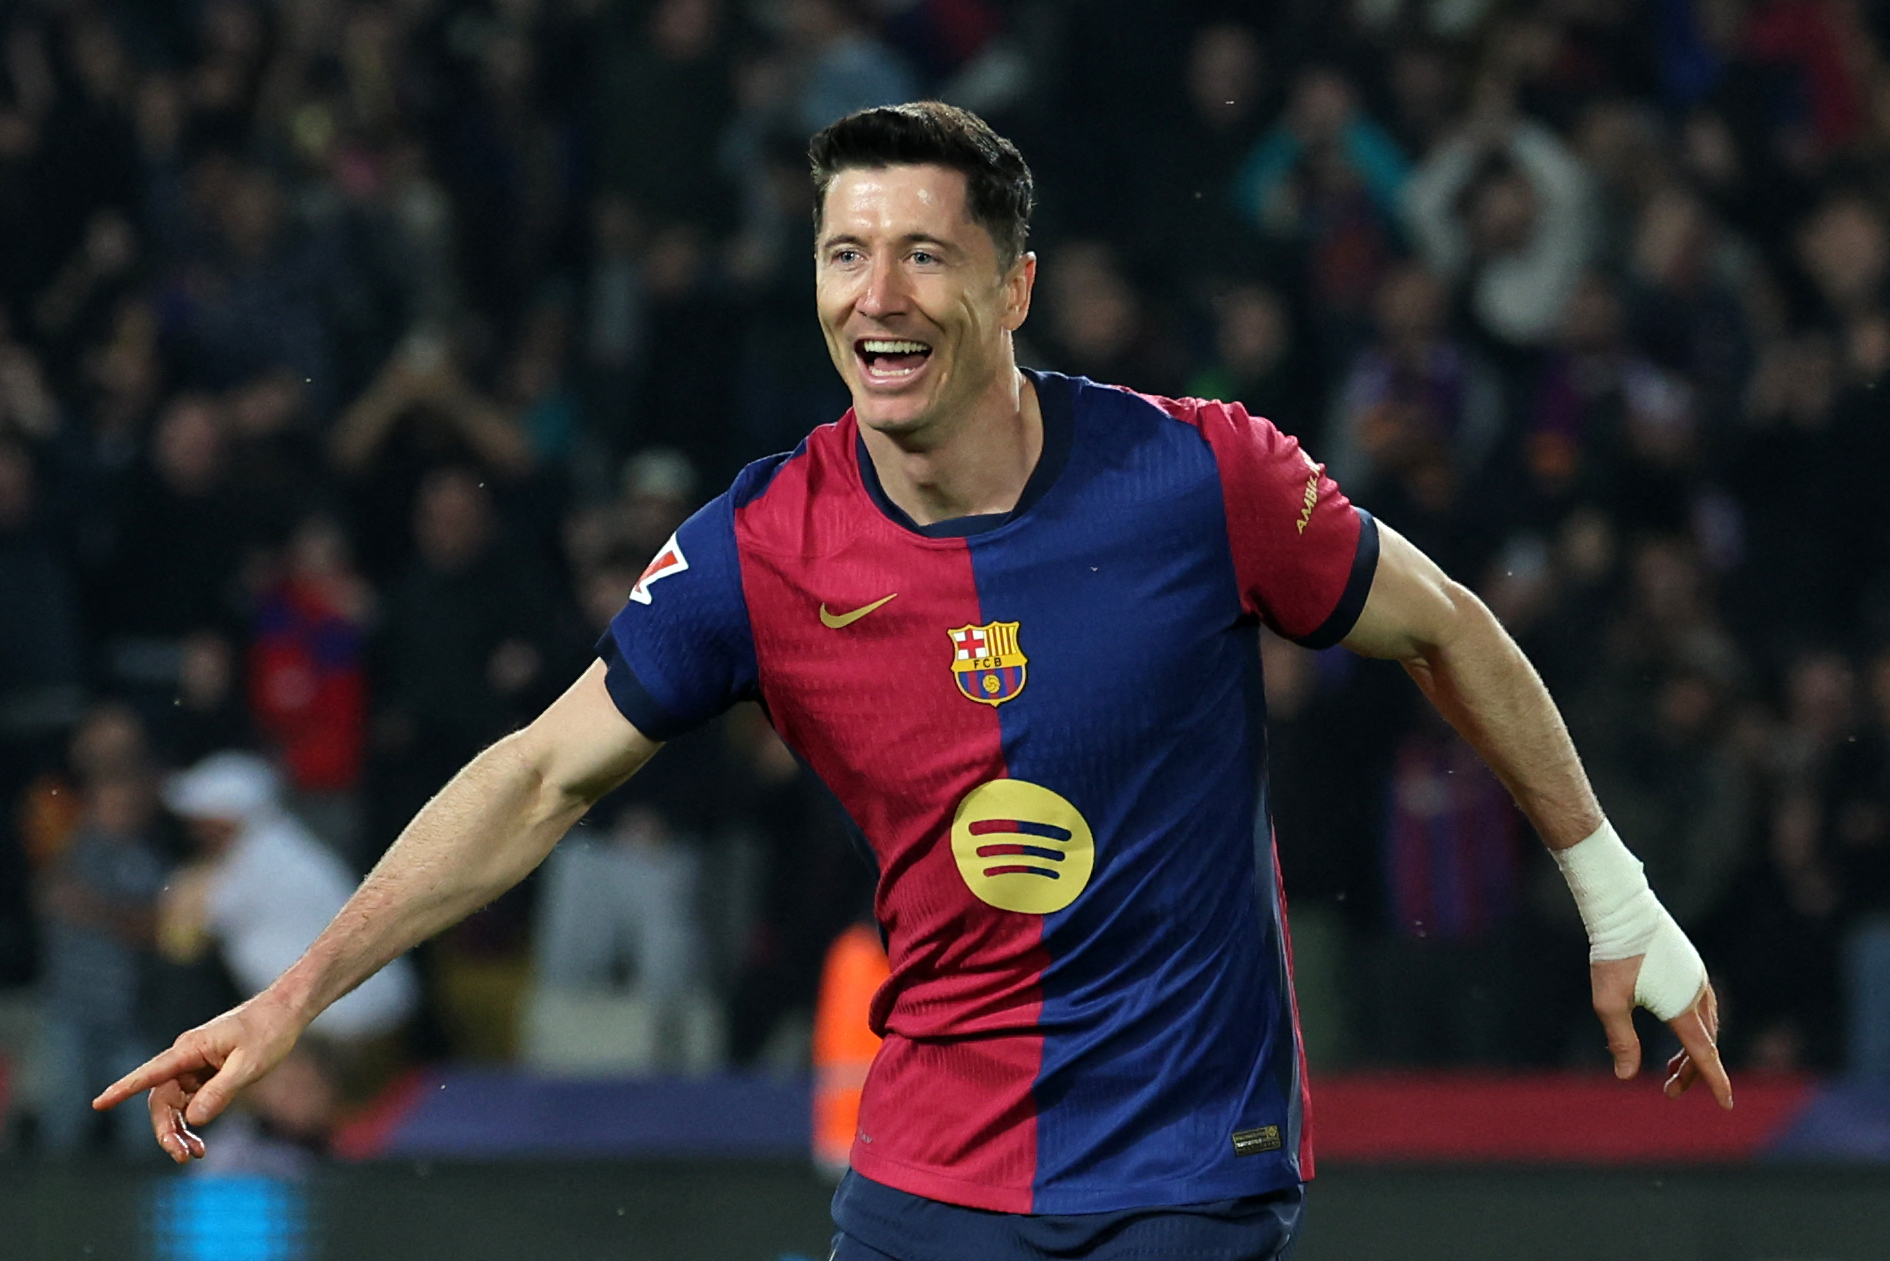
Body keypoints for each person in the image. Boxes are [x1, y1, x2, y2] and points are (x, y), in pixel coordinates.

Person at [98, 103, 1731, 1260]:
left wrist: (1614, 895)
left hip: (1185, 1172)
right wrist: (293, 993)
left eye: (924, 258)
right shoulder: (763, 543)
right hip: (926, 1177)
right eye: (842, 253)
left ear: (1013, 288)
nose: (874, 299)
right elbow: (536, 775)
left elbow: (1448, 622)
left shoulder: (1197, 477)